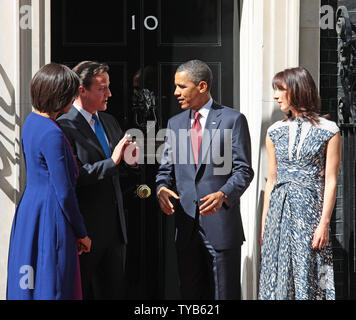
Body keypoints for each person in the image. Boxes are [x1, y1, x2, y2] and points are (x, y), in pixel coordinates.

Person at [156, 60, 254, 300]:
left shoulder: (232, 119)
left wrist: (224, 194)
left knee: (224, 294)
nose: (175, 92)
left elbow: (244, 170)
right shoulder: (175, 123)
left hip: (220, 225)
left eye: (182, 86)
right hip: (186, 226)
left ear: (201, 86)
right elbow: (165, 169)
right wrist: (161, 188)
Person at [7, 63, 91, 300]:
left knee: (30, 282)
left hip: (29, 211)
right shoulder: (53, 132)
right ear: (61, 96)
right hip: (50, 214)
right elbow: (64, 191)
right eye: (72, 94)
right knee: (52, 282)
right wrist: (81, 233)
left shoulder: (31, 122)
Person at [258, 67, 342, 300]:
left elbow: (331, 181)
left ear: (297, 90)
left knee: (311, 270)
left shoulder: (330, 131)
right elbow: (272, 180)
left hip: (310, 213)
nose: (275, 95)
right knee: (277, 272)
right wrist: (265, 224)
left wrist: (324, 223)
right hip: (279, 212)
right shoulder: (274, 131)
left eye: (280, 89)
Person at [57, 61, 138, 299]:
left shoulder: (110, 122)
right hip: (85, 233)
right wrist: (112, 161)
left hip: (115, 231)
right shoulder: (64, 125)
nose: (109, 94)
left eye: (109, 87)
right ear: (82, 90)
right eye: (103, 88)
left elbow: (118, 171)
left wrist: (130, 161)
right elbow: (74, 176)